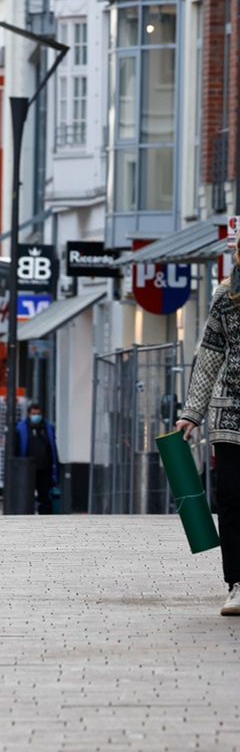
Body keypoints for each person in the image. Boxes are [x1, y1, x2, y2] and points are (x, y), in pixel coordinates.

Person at [176, 255, 240, 615]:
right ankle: (237, 583)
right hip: (230, 414)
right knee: (231, 499)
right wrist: (192, 413)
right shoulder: (226, 297)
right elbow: (210, 357)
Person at [17, 403, 60, 515]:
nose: (36, 416)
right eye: (34, 414)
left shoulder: (48, 427)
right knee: (27, 495)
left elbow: (52, 447)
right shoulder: (21, 428)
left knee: (44, 496)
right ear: (28, 414)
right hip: (27, 469)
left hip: (44, 468)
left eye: (38, 414)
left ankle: (44, 516)